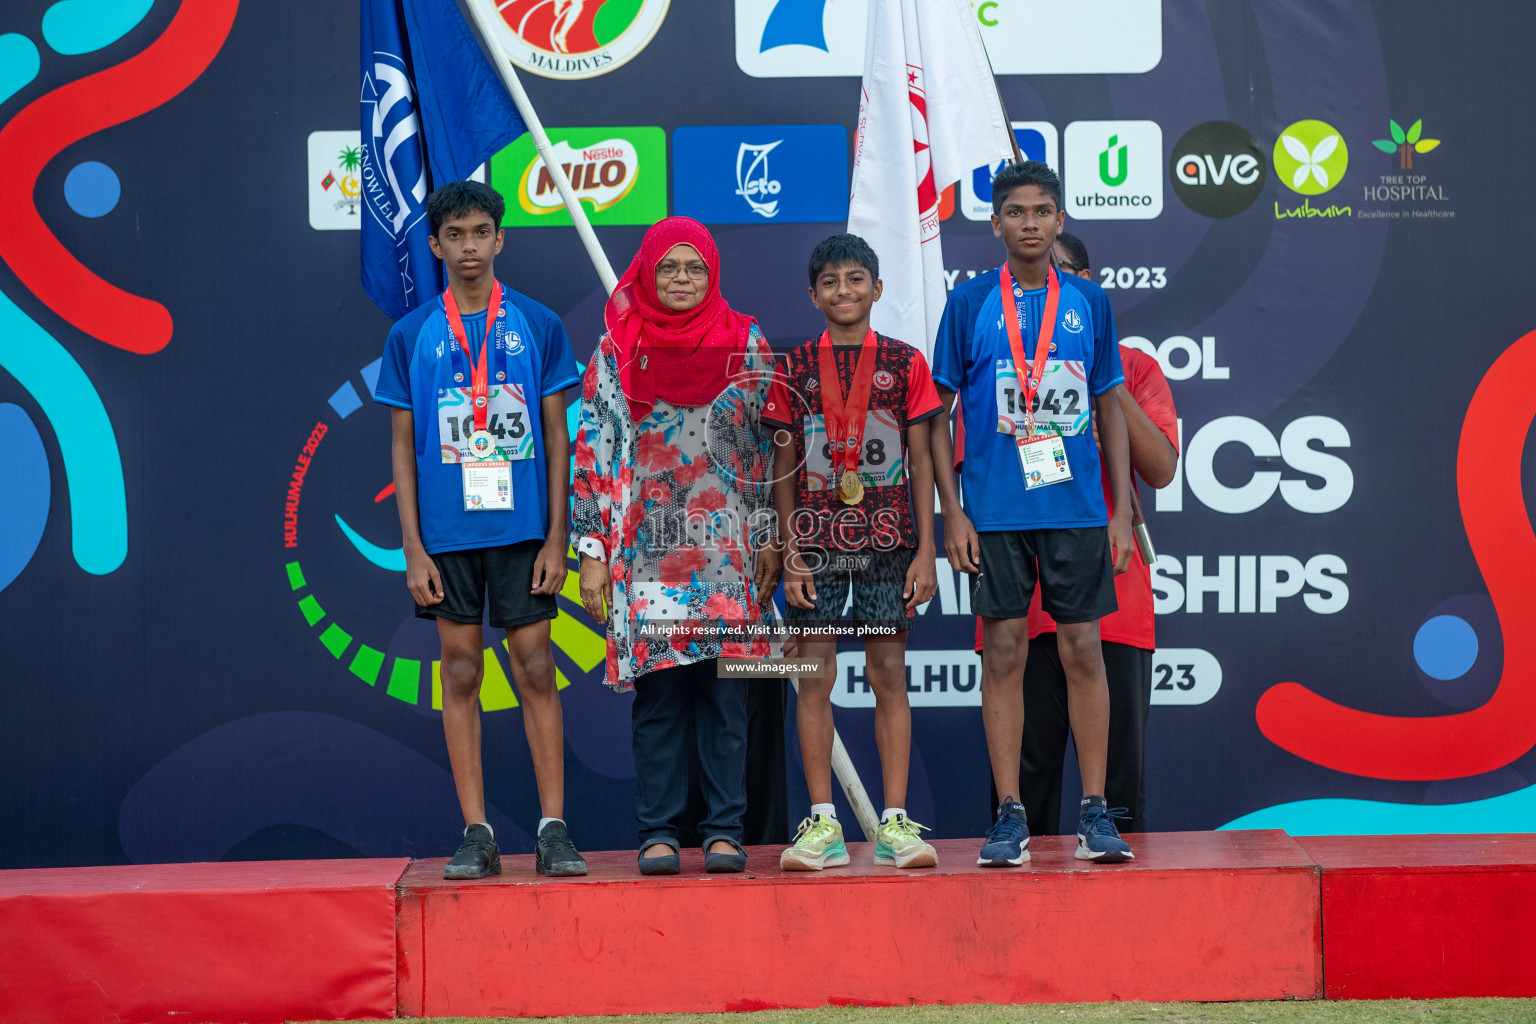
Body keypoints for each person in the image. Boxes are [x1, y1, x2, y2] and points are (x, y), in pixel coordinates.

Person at [374, 180, 587, 880]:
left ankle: (554, 829)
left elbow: (559, 436)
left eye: (480, 233)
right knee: (460, 671)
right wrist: (411, 546)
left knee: (534, 669)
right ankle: (477, 832)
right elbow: (402, 446)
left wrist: (558, 537)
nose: (468, 246)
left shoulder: (538, 324)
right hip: (445, 535)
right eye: (455, 235)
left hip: (524, 530)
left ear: (501, 239)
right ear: (434, 245)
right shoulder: (411, 335)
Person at [929, 160, 1136, 866]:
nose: (1029, 223)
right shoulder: (968, 304)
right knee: (1007, 653)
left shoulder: (1090, 303)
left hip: (1076, 506)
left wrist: (1119, 508)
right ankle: (1010, 813)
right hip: (994, 509)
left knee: (1083, 649)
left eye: (1041, 211)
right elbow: (936, 415)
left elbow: (1108, 404)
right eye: (1014, 212)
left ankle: (1096, 811)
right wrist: (951, 513)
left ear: (1059, 220)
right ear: (995, 223)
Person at [572, 217, 780, 875]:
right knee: (660, 697)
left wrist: (772, 539)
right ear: (648, 273)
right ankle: (658, 833)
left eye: (694, 268)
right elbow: (595, 449)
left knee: (725, 697)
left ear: (713, 273)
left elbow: (773, 449)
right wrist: (592, 551)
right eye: (669, 268)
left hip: (728, 553)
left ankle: (723, 831)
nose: (682, 280)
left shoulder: (746, 343)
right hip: (648, 555)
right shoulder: (616, 347)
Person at [978, 231, 1180, 837]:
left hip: (1111, 603)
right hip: (1023, 607)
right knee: (1024, 807)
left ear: (1088, 287)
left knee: (1115, 804)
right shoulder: (995, 356)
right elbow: (974, 465)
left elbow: (1162, 469)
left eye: (1060, 274)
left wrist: (1106, 377)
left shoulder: (1135, 367)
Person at [763, 233, 942, 871]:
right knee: (815, 678)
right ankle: (823, 825)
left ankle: (894, 822)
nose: (844, 290)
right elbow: (783, 466)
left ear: (878, 288)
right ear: (813, 296)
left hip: (888, 542)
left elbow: (922, 462)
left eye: (855, 279)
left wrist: (926, 552)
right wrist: (790, 552)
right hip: (816, 545)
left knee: (889, 675)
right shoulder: (793, 369)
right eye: (831, 282)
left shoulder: (906, 362)